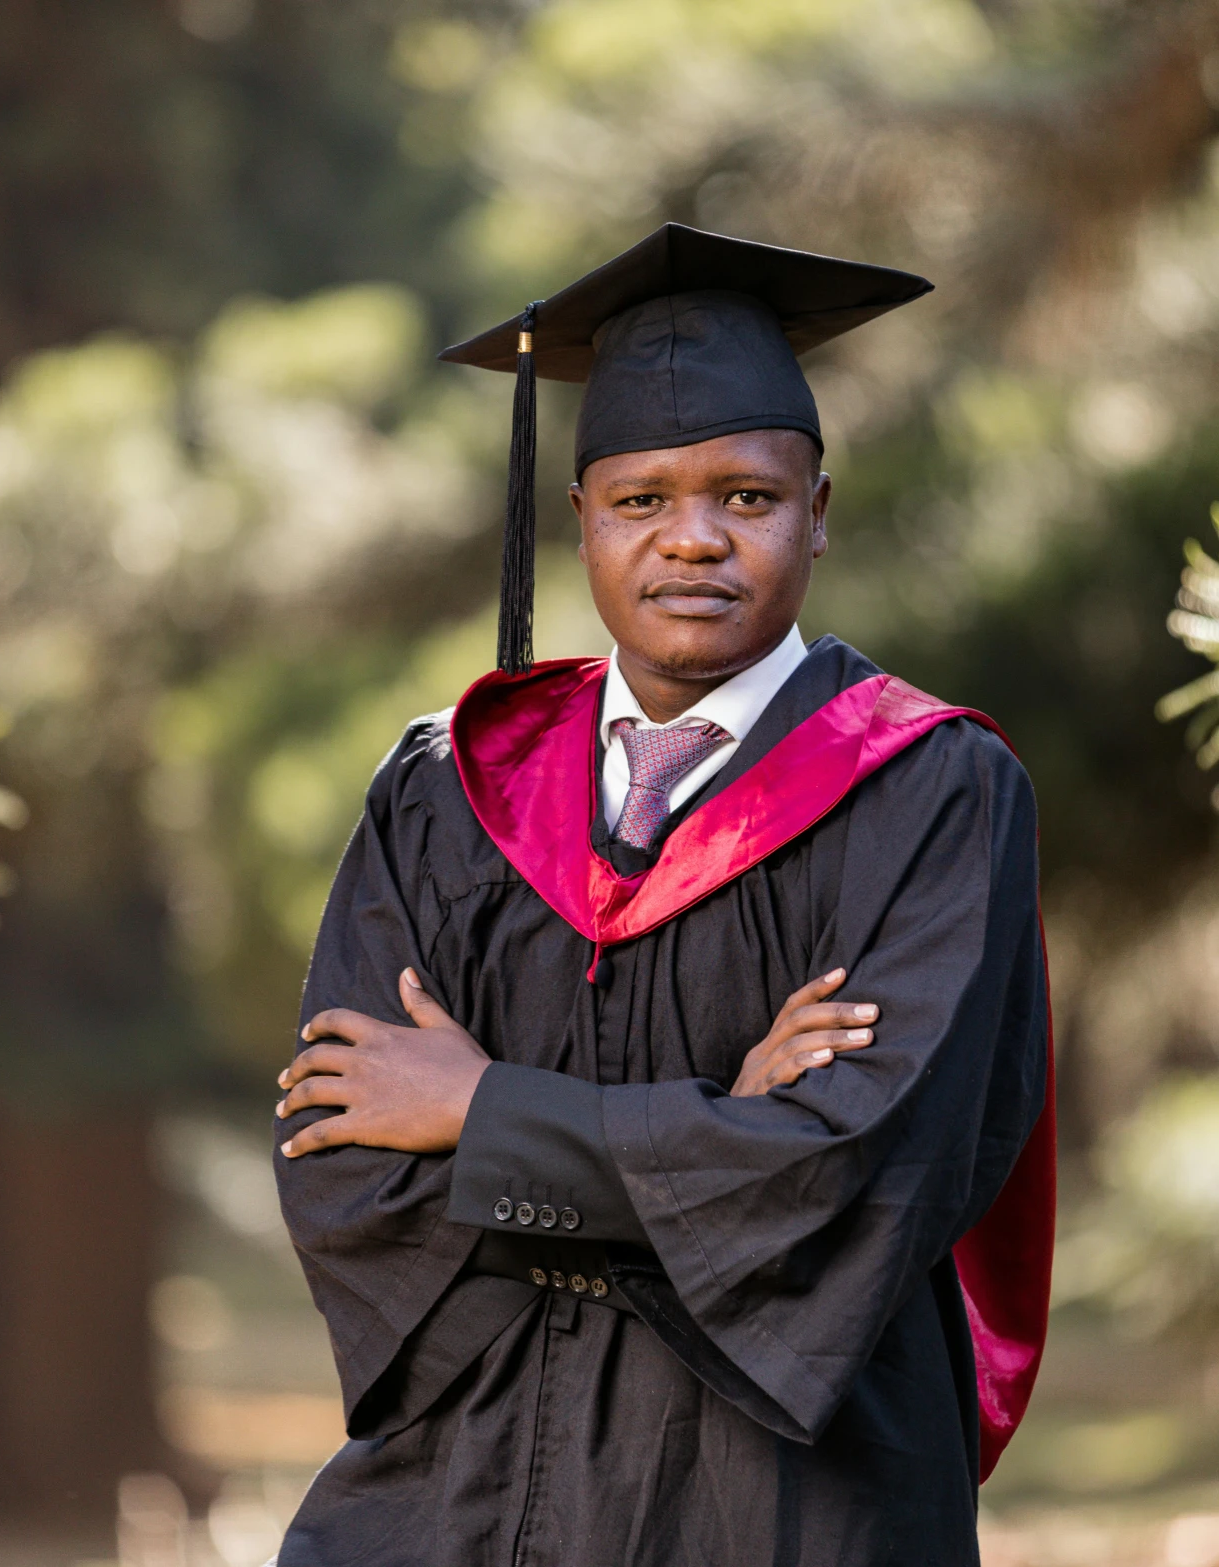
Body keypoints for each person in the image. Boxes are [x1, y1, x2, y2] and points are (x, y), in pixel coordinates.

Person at [269, 224, 1055, 1566]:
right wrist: (719, 1133)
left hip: (787, 1490)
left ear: (817, 511)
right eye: (640, 500)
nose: (691, 541)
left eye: (744, 497)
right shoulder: (448, 784)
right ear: (578, 519)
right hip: (468, 1472)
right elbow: (344, 1157)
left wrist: (479, 1110)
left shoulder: (930, 789)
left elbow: (852, 1169)